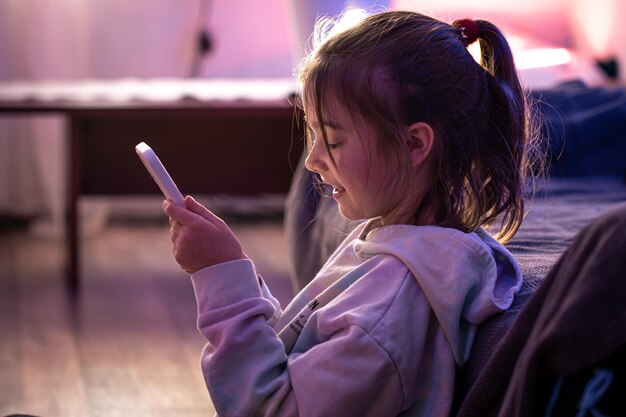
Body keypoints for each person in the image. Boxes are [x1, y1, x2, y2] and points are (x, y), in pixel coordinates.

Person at [163, 10, 536, 417]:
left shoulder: (385, 315)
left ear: (415, 144)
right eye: (314, 136)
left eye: (335, 141)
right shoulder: (397, 244)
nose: (313, 161)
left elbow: (272, 408)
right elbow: (300, 346)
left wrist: (220, 281)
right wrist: (234, 271)